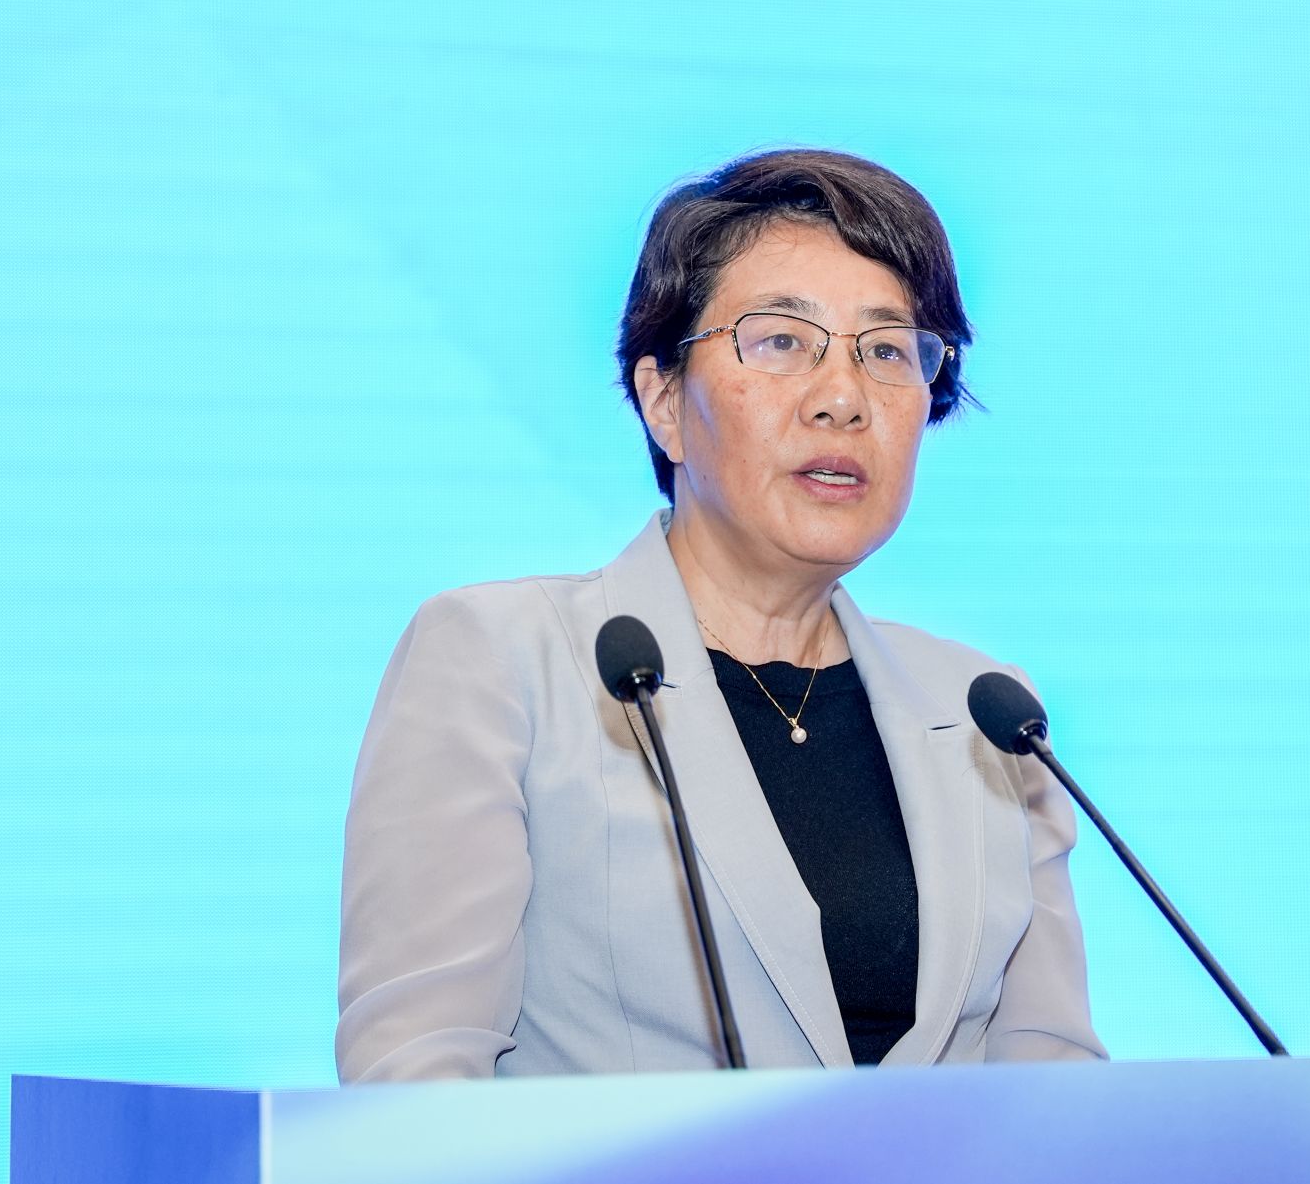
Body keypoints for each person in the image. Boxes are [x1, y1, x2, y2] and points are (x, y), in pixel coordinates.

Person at [336, 148, 1107, 1081]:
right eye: (781, 341)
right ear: (663, 400)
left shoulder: (990, 712)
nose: (843, 398)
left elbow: (1054, 1085)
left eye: (886, 351)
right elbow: (417, 1080)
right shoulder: (501, 663)